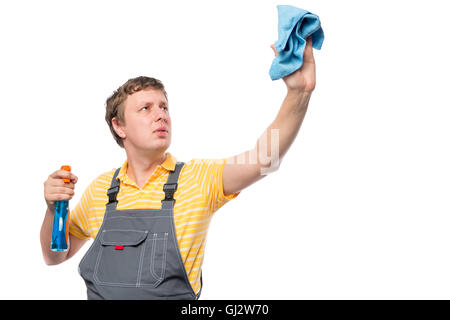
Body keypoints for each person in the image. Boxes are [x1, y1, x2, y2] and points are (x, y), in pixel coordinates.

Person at [40, 37, 316, 299]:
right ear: (119, 126)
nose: (161, 114)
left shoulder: (197, 178)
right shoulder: (101, 190)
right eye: (146, 108)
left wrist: (298, 93)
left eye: (164, 106)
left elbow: (264, 159)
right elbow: (55, 257)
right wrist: (53, 209)